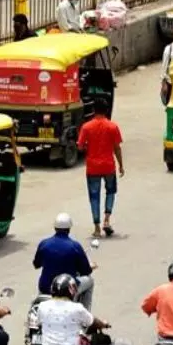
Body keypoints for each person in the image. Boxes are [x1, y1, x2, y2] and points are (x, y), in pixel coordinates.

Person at [33, 274, 108, 345]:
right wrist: (103, 324)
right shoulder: (77, 308)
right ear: (72, 290)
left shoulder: (42, 306)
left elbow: (38, 323)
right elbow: (92, 322)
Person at [77, 104, 124, 238]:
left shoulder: (86, 127)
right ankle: (107, 220)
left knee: (94, 197)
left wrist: (88, 146)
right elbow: (117, 148)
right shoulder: (112, 127)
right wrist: (121, 165)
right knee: (111, 192)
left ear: (93, 111)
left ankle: (97, 227)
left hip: (92, 168)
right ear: (107, 111)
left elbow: (80, 147)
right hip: (109, 166)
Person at [33, 213, 96, 309]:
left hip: (45, 287)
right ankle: (86, 313)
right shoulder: (75, 246)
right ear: (69, 229)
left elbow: (36, 264)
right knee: (90, 281)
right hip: (68, 290)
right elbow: (86, 271)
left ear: (55, 227)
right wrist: (91, 266)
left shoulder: (44, 243)